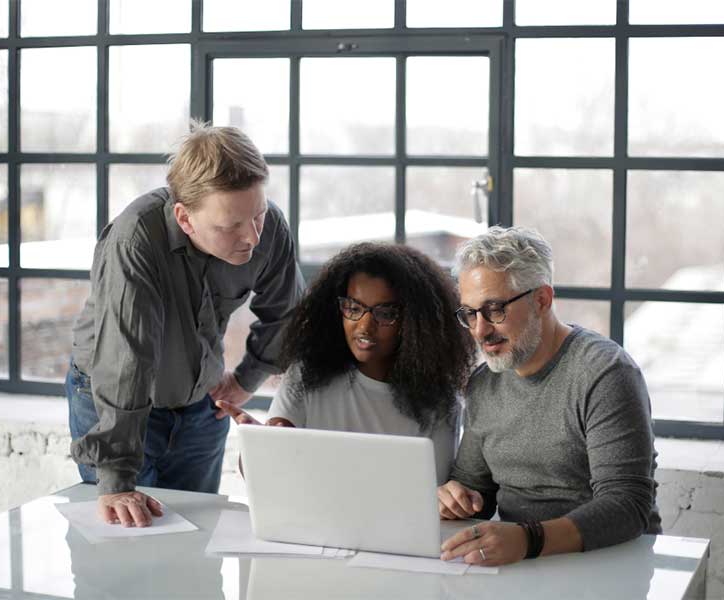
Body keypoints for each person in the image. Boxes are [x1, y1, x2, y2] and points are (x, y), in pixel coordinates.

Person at [66, 122, 305, 528]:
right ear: (185, 218)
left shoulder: (267, 226)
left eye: (258, 215)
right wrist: (117, 479)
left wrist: (248, 378)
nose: (251, 236)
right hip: (115, 404)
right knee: (127, 554)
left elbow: (287, 312)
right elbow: (127, 360)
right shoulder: (135, 239)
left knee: (197, 547)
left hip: (201, 406)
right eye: (229, 226)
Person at [437, 226, 661, 566]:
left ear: (541, 299)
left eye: (495, 309)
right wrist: (456, 498)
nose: (480, 330)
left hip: (613, 561)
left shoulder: (604, 373)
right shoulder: (484, 383)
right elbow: (474, 489)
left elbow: (627, 505)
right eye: (470, 313)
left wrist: (528, 539)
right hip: (525, 561)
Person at [226, 242, 474, 483]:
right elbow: (264, 474)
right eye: (353, 308)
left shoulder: (440, 400)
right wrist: (257, 446)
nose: (365, 327)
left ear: (414, 322)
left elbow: (436, 495)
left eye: (385, 313)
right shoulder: (306, 375)